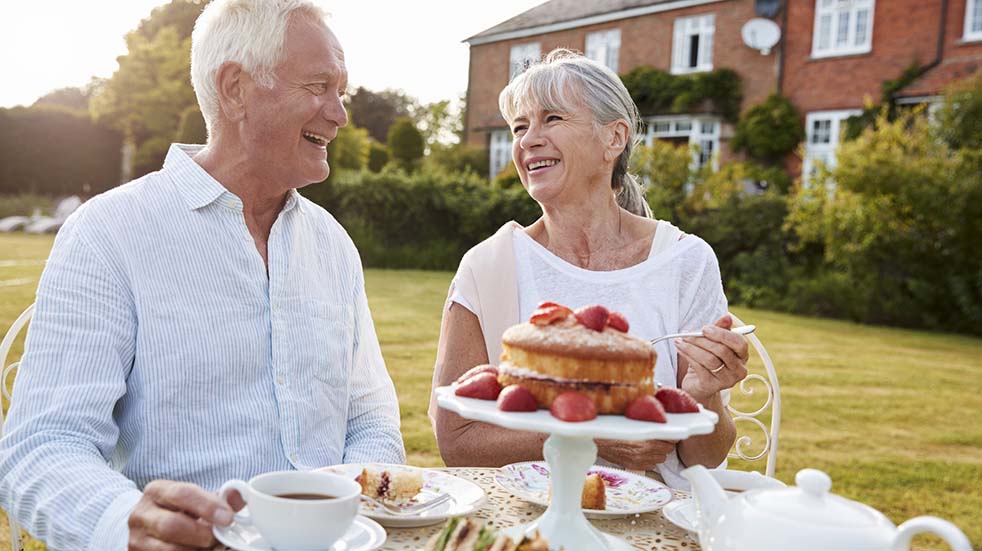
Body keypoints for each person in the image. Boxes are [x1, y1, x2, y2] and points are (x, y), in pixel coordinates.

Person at [0, 1, 405, 549]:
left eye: (342, 91)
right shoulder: (110, 231)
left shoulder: (332, 244)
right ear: (236, 87)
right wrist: (128, 523)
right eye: (319, 86)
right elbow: (42, 445)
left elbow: (369, 415)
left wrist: (347, 505)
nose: (340, 113)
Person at [429, 49, 748, 489]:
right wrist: (595, 439)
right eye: (520, 127)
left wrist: (704, 394)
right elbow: (457, 442)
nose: (527, 140)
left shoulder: (685, 260)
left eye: (552, 119)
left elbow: (705, 458)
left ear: (614, 139)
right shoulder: (487, 265)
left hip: (652, 519)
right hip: (527, 515)